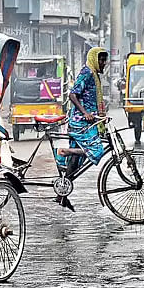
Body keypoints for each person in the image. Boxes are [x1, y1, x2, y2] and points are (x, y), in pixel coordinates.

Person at [56, 47, 108, 211]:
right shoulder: (87, 73)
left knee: (76, 161)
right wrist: (85, 112)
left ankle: (62, 194)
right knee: (97, 150)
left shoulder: (95, 76)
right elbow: (73, 94)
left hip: (88, 121)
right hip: (81, 121)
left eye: (104, 60)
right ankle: (63, 151)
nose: (104, 63)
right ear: (94, 59)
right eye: (101, 60)